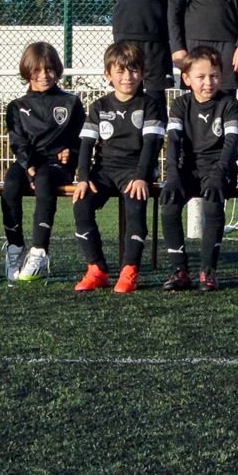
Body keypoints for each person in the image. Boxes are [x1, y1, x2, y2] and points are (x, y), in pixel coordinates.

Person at [69, 42, 165, 293]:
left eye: (133, 71)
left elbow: (151, 145)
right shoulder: (99, 106)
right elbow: (87, 144)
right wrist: (83, 177)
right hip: (104, 170)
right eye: (120, 71)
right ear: (108, 75)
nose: (127, 77)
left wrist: (143, 177)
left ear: (142, 73)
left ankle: (129, 270)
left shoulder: (149, 105)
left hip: (136, 170)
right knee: (81, 204)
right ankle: (97, 269)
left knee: (135, 207)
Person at [0, 41, 82, 284]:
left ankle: (39, 252)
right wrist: (27, 164)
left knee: (45, 181)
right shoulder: (16, 106)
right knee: (11, 184)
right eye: (37, 71)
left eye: (49, 70)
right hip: (29, 162)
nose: (44, 76)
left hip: (56, 165)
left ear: (57, 70)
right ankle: (15, 248)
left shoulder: (71, 102)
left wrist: (72, 153)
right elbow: (17, 141)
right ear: (27, 72)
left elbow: (82, 137)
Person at [160, 46, 238, 290]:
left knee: (212, 203)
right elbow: (173, 142)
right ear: (186, 79)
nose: (209, 82)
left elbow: (230, 143)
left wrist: (219, 172)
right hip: (189, 169)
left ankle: (208, 269)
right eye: (201, 77)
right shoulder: (179, 104)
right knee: (169, 204)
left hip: (220, 168)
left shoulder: (229, 104)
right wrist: (173, 176)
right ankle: (180, 270)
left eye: (214, 76)